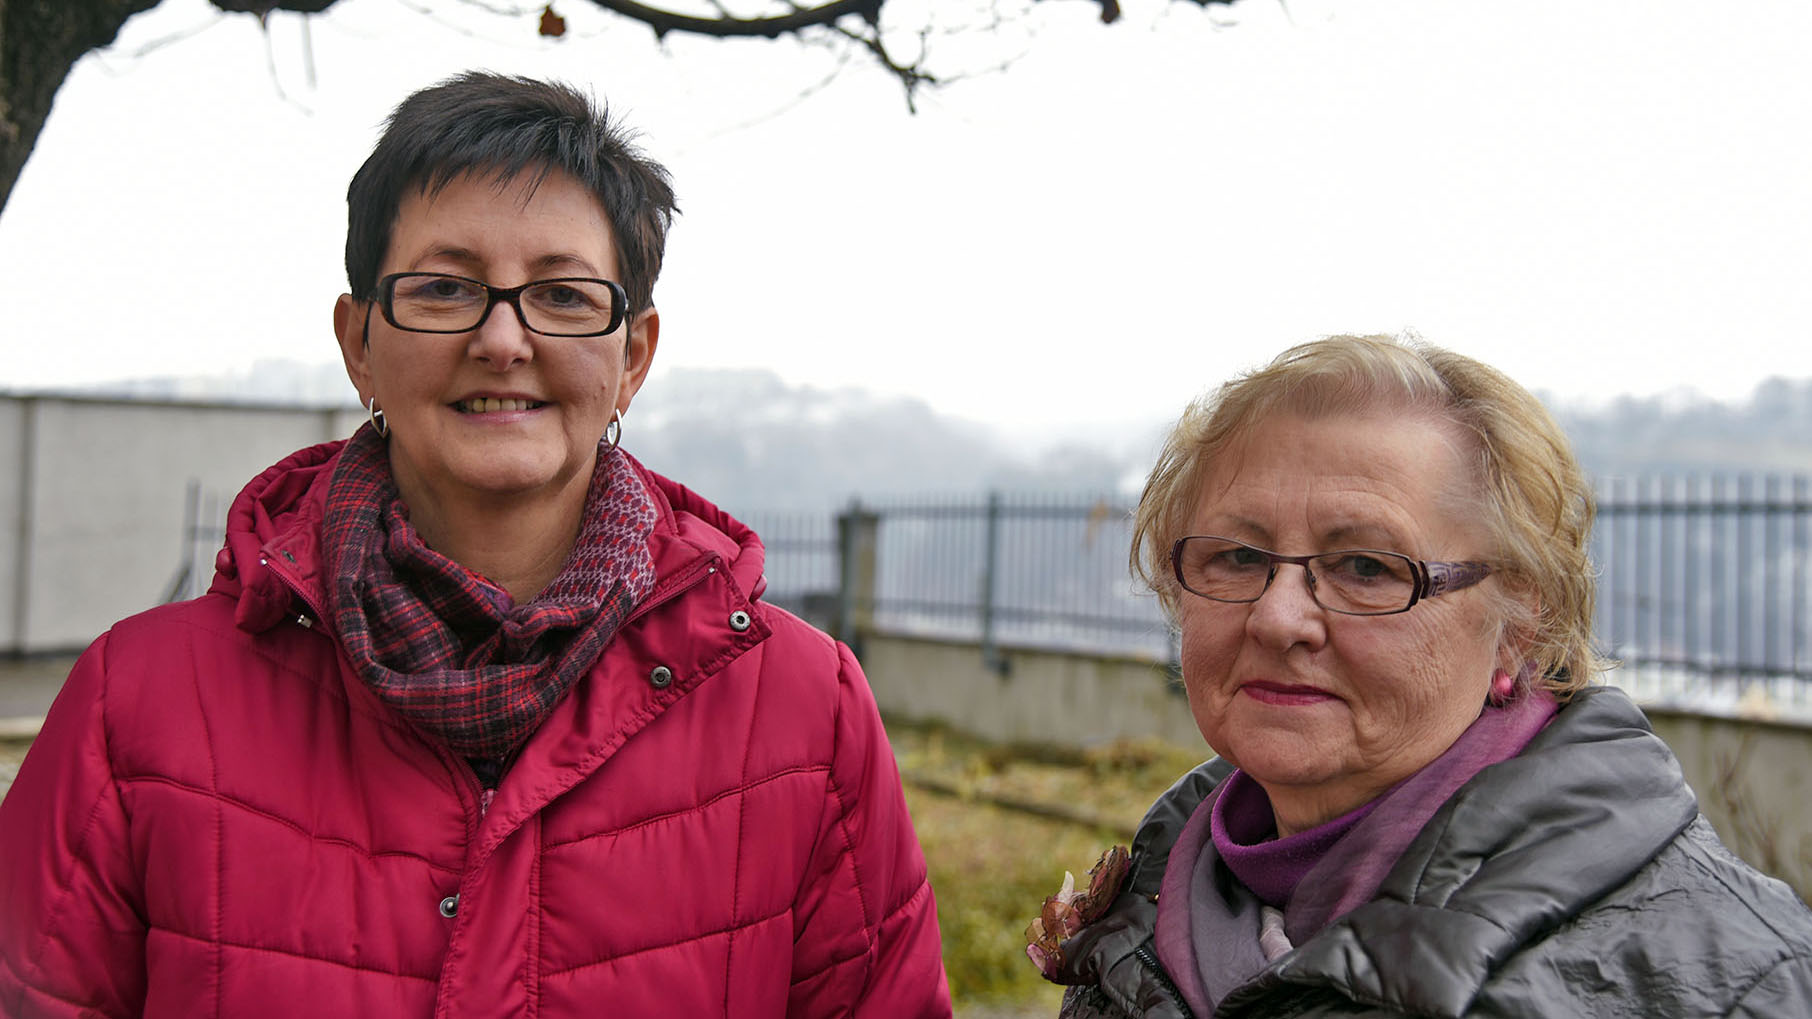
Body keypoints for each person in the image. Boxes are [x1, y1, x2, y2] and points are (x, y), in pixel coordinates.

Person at [0, 72, 950, 1018]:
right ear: (358, 342)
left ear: (634, 356)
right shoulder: (140, 708)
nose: (503, 339)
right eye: (446, 288)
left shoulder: (803, 714)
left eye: (565, 295)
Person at [1027, 335, 1812, 1017]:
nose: (1277, 618)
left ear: (1518, 626)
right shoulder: (1155, 893)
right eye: (1237, 556)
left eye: (1366, 566)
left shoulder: (1735, 979)